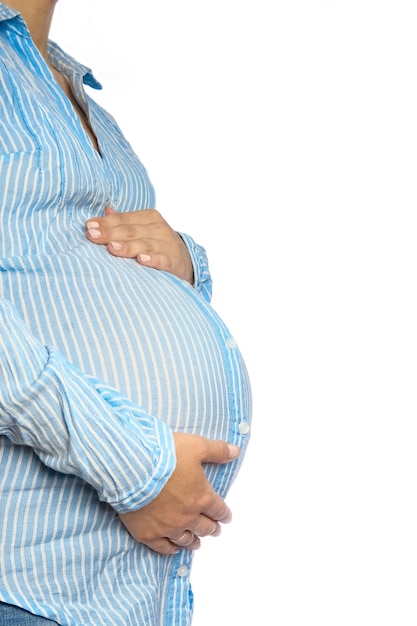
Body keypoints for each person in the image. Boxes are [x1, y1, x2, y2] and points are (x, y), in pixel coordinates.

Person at [0, 1, 252, 625]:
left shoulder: (83, 102)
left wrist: (186, 263)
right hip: (24, 585)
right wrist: (134, 465)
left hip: (122, 599)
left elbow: (78, 277)